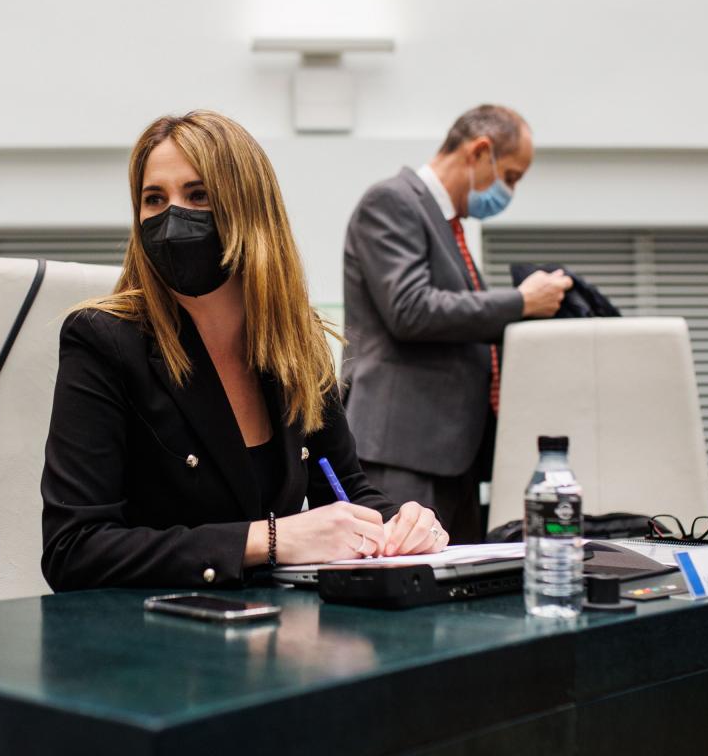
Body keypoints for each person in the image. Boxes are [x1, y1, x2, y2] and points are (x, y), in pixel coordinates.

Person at [41, 110, 446, 592]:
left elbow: (344, 487)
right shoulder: (102, 340)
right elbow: (74, 550)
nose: (172, 218)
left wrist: (404, 523)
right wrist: (268, 540)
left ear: (250, 210)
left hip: (274, 622)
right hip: (150, 626)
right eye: (154, 199)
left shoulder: (296, 344)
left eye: (198, 195)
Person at [342, 104, 571, 544]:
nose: (509, 191)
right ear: (480, 151)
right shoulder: (392, 201)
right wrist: (522, 302)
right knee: (405, 570)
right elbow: (410, 309)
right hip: (403, 450)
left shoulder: (447, 225)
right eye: (511, 176)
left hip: (451, 452)